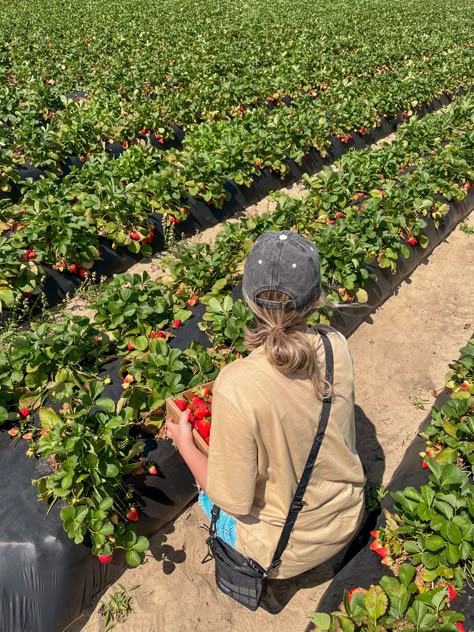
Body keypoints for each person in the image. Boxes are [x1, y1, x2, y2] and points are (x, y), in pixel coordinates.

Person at [166, 230, 365, 581]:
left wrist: (185, 444)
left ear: (248, 301)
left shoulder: (237, 383)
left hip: (285, 552)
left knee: (208, 493)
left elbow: (234, 502)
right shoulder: (335, 344)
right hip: (349, 515)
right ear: (316, 297)